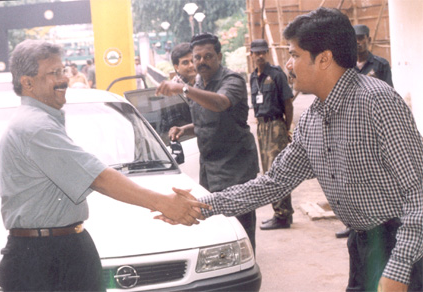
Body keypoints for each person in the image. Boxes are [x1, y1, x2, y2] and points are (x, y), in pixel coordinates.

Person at [159, 8, 423, 292]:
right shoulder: (312, 120)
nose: (288, 65)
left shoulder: (377, 102)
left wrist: (400, 269)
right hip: (363, 245)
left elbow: (418, 193)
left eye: (294, 55)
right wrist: (204, 206)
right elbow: (274, 183)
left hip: (405, 245)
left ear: (324, 59)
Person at [0, 39, 209, 291]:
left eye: (63, 70)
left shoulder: (41, 121)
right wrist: (164, 203)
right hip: (42, 260)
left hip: (61, 248)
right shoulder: (35, 127)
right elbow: (99, 177)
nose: (63, 79)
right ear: (27, 82)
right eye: (54, 73)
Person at [156, 33, 260, 253]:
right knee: (217, 227)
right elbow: (206, 119)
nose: (201, 61)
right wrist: (184, 129)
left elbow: (221, 104)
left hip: (236, 168)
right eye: (197, 57)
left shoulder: (232, 80)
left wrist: (183, 89)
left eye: (208, 56)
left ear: (219, 56)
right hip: (210, 168)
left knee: (240, 229)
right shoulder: (199, 83)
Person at [335, 23, 395, 239]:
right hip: (351, 129)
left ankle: (381, 222)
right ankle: (353, 224)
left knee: (374, 176)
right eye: (355, 39)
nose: (358, 42)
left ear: (368, 39)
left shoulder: (380, 65)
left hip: (374, 131)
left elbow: (389, 94)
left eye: (362, 38)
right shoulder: (345, 66)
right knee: (351, 177)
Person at [250, 39, 295, 230]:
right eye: (256, 52)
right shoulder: (253, 77)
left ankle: (283, 215)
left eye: (263, 52)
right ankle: (280, 212)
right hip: (261, 127)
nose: (260, 56)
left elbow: (288, 104)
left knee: (277, 170)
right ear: (251, 54)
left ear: (267, 53)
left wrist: (285, 127)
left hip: (276, 125)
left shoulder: (276, 75)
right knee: (268, 172)